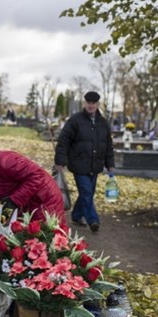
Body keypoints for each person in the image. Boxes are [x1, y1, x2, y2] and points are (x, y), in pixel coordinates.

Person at [54, 91, 115, 232]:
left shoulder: (103, 123)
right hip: (79, 164)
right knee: (87, 192)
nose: (91, 105)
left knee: (87, 194)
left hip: (96, 165)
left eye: (93, 103)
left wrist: (110, 164)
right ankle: (93, 220)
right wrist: (60, 161)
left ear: (98, 104)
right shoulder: (75, 120)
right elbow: (63, 141)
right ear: (84, 103)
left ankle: (76, 215)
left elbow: (108, 145)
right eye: (88, 103)